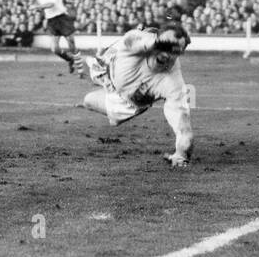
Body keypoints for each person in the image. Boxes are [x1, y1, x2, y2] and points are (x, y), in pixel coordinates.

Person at [66, 20, 194, 168]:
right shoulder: (137, 40)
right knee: (86, 66)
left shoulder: (174, 83)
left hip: (127, 101)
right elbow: (133, 39)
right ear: (155, 40)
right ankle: (89, 68)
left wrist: (181, 154)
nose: (168, 53)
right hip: (108, 69)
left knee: (89, 101)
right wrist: (159, 41)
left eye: (175, 51)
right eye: (166, 46)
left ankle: (101, 97)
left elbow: (184, 129)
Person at [33, 0, 78, 65]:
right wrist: (38, 10)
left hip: (61, 18)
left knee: (71, 42)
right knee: (54, 48)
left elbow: (51, 4)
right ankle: (69, 59)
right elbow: (42, 8)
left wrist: (37, 7)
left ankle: (80, 69)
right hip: (51, 20)